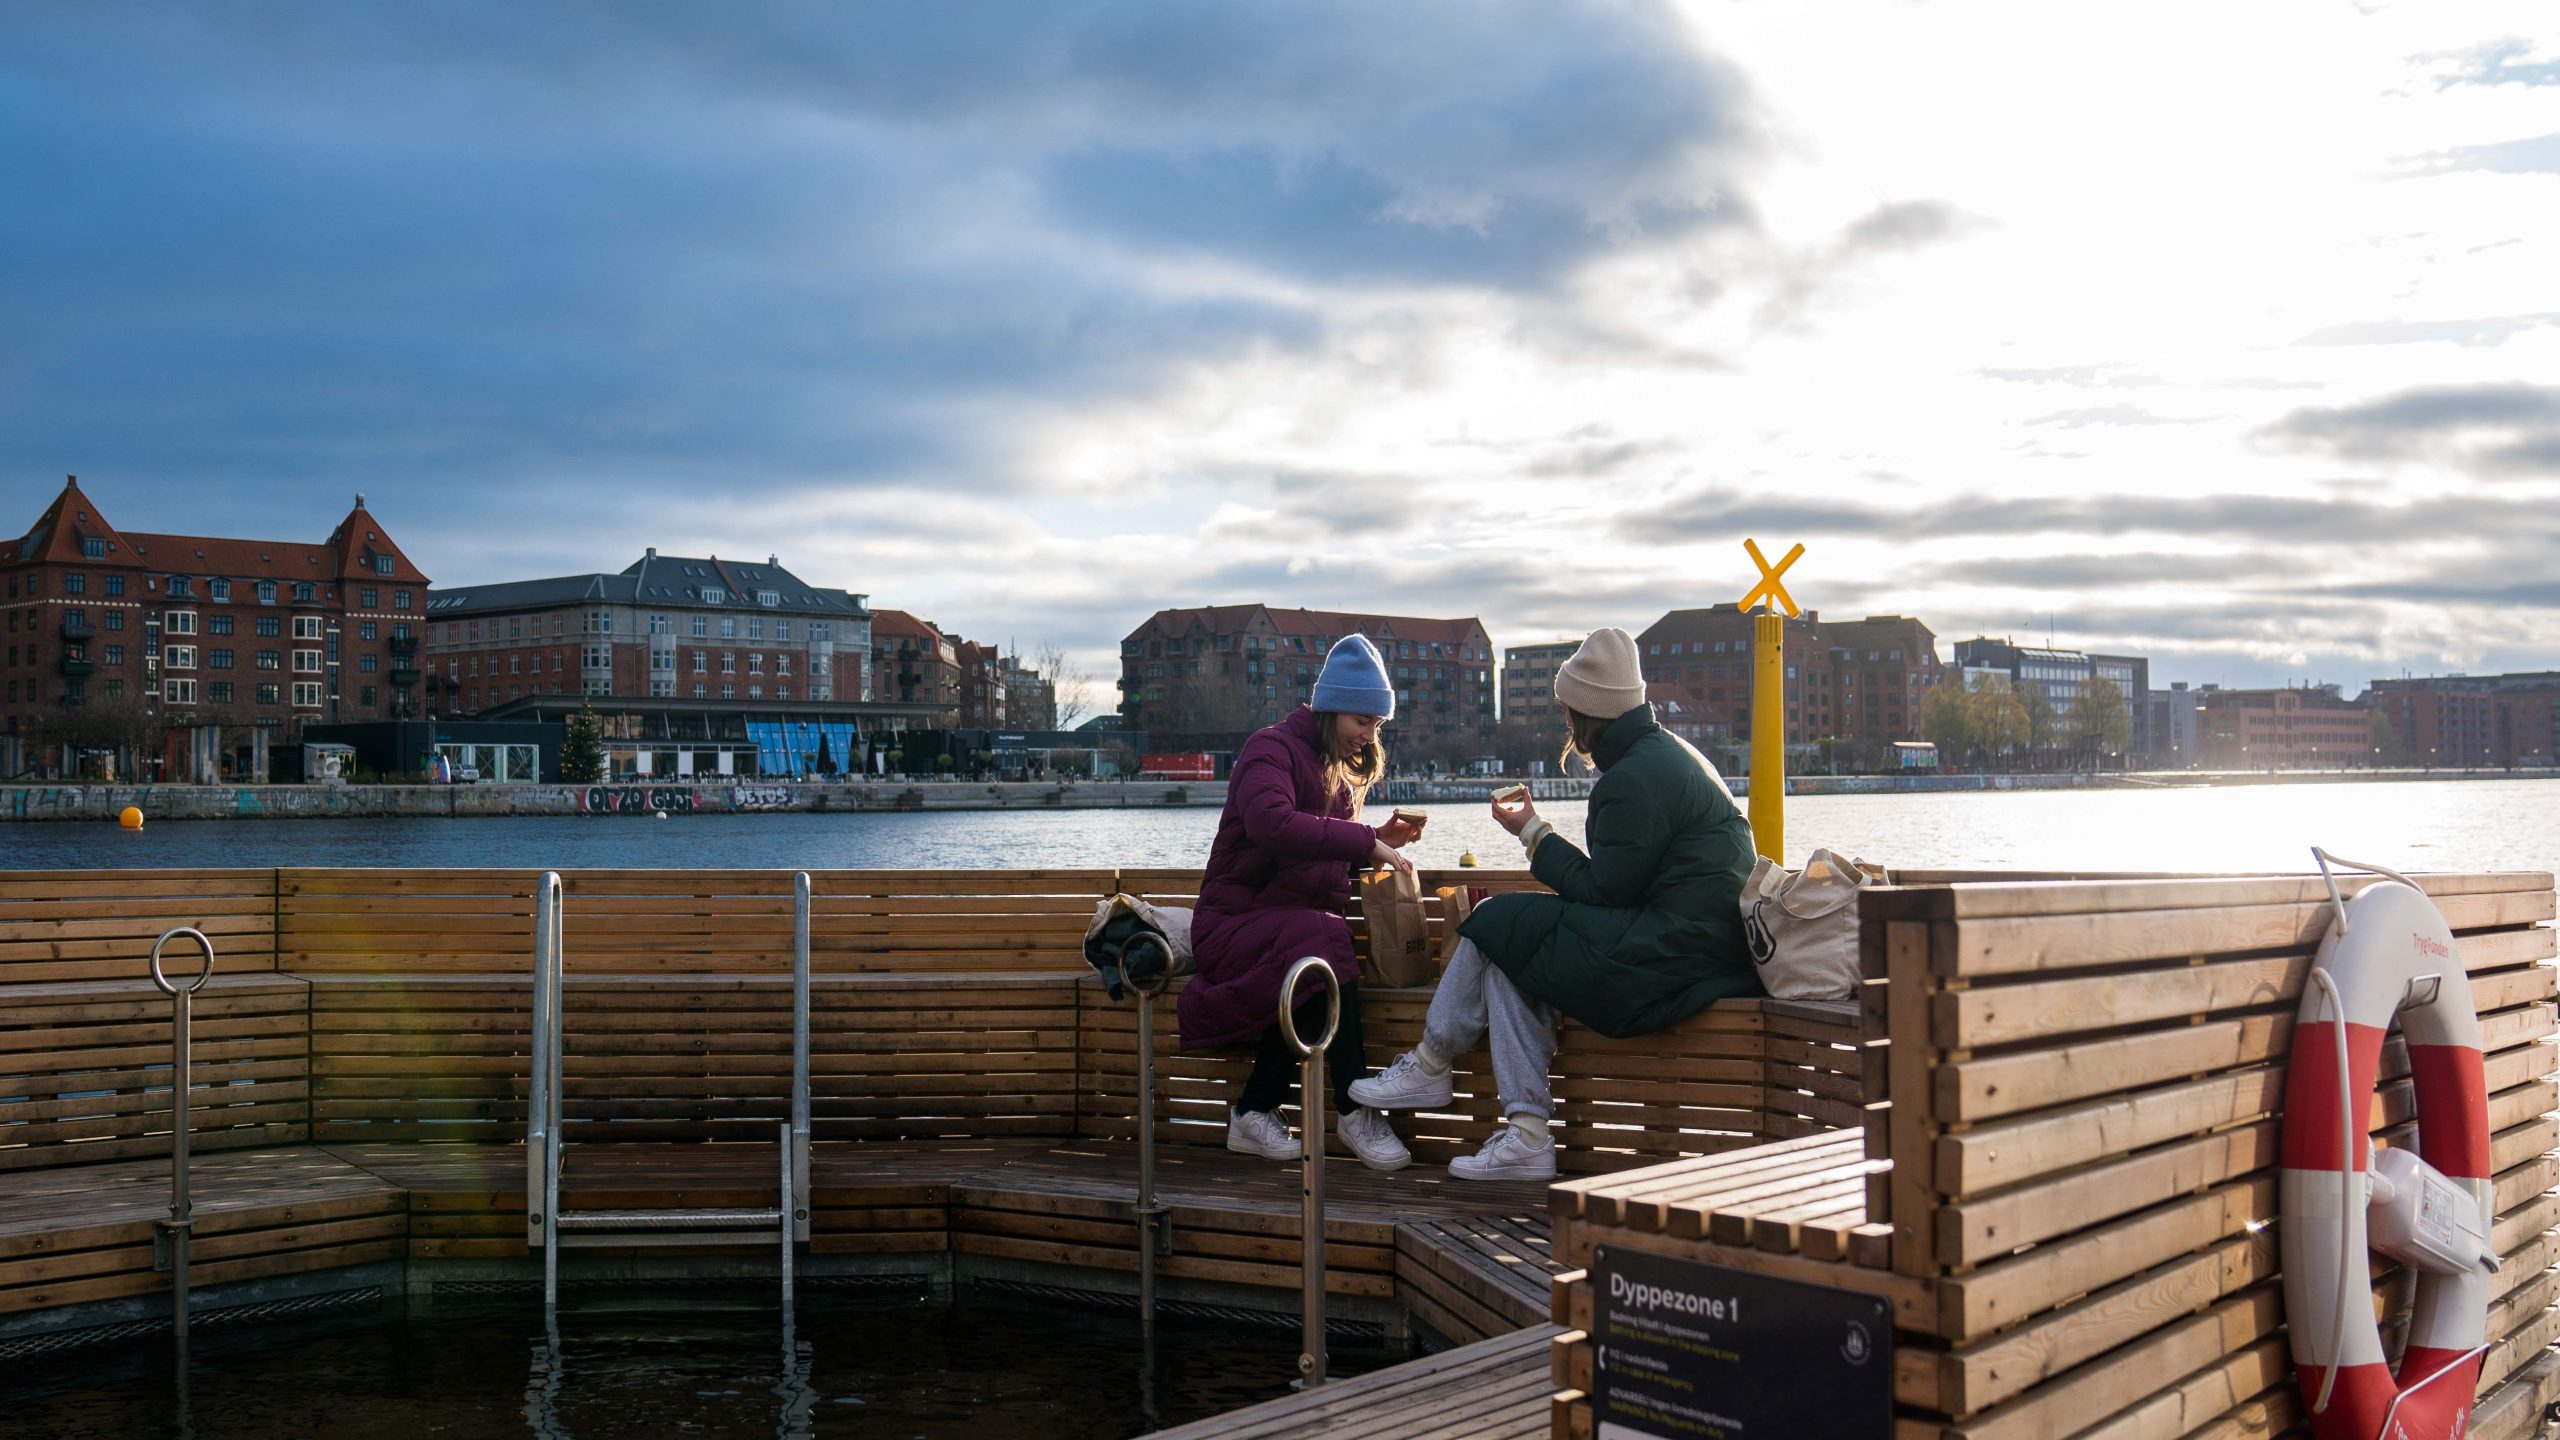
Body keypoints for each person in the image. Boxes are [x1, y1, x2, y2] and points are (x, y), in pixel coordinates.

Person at [1351, 626, 1758, 1180]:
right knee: (1510, 961)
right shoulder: (1666, 756)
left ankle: (1430, 1063)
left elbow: (1606, 892)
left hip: (1674, 956)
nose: (1566, 722)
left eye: (1569, 710)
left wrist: (1533, 831)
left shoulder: (1633, 779)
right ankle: (1528, 1135)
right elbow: (1623, 887)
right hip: (1699, 946)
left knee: (1496, 918)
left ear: (1590, 712)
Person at [1178, 632, 1420, 1172]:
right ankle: (1355, 1107)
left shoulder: (1336, 769)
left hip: (1289, 930)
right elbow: (1273, 826)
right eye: (1364, 721)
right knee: (1322, 941)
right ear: (1332, 708)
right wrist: (1364, 841)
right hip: (1229, 927)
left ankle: (1255, 1110)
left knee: (1316, 955)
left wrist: (1378, 837)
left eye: (1377, 725)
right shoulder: (1270, 749)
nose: (1369, 735)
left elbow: (1315, 856)